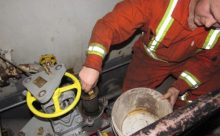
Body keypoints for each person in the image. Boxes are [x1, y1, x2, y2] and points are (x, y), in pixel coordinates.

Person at [79, 0, 220, 109]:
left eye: (218, 23)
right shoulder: (158, 3)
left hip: (188, 60)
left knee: (210, 94)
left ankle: (178, 116)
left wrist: (178, 87)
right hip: (150, 61)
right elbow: (110, 25)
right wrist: (93, 64)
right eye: (211, 12)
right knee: (131, 101)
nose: (208, 24)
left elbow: (207, 63)